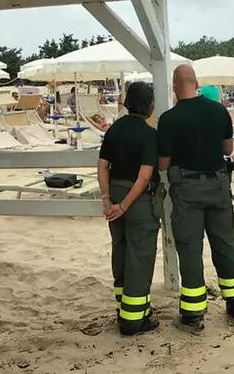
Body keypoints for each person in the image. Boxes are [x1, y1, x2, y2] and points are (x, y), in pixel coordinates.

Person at [158, 65, 234, 333]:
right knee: (225, 243)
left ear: (175, 86)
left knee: (190, 249)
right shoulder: (219, 110)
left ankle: (193, 316)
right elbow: (228, 149)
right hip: (218, 185)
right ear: (196, 84)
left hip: (186, 190)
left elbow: (163, 164)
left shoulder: (169, 119)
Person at [97, 82, 162, 336]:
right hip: (138, 201)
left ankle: (122, 308)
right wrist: (124, 205)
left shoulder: (114, 129)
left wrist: (107, 199)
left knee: (121, 250)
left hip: (113, 192)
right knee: (140, 256)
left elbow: (103, 166)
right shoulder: (149, 134)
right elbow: (145, 175)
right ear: (149, 106)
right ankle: (134, 320)